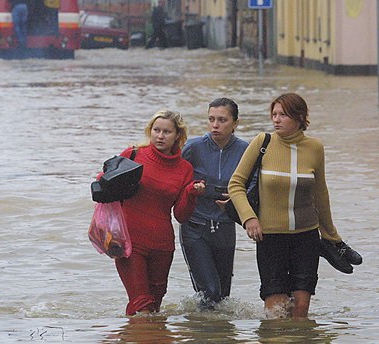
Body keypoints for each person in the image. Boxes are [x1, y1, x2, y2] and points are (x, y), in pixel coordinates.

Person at [228, 93, 358, 319]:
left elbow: (320, 195)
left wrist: (332, 236)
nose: (276, 119)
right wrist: (249, 218)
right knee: (277, 313)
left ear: (299, 118)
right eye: (274, 114)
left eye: (283, 115)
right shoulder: (262, 142)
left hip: (306, 238)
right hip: (270, 238)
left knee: (300, 311)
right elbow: (236, 184)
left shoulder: (315, 148)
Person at [111, 110, 205, 315]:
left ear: (177, 136)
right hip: (130, 243)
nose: (160, 136)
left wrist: (191, 192)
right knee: (141, 304)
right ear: (150, 131)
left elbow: (181, 215)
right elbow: (106, 188)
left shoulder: (184, 169)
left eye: (166, 132)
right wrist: (105, 178)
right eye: (156, 130)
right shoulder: (133, 154)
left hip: (162, 246)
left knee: (154, 307)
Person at [179, 98, 249, 310]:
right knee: (210, 291)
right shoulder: (193, 147)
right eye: (211, 119)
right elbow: (175, 177)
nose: (215, 125)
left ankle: (217, 334)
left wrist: (236, 200)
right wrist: (193, 189)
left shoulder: (245, 150)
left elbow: (254, 184)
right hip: (195, 227)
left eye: (222, 120)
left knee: (223, 298)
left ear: (235, 123)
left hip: (226, 226)